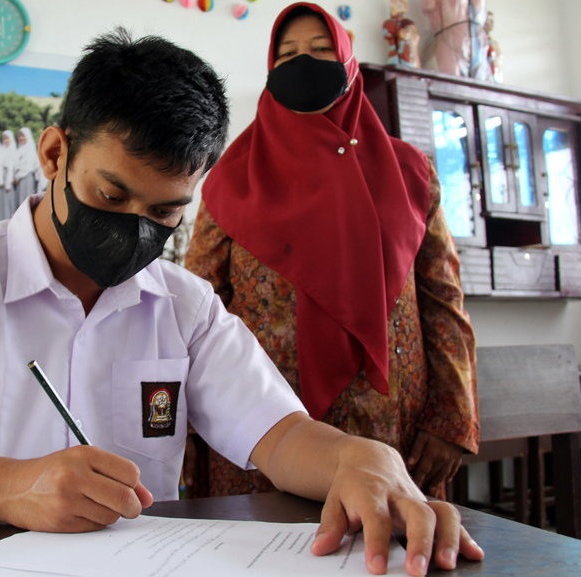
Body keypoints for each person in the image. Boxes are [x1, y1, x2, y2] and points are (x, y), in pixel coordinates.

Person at [0, 28, 483, 577]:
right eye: (111, 196)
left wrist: (361, 458)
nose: (134, 228)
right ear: (55, 154)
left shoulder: (183, 304)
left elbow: (282, 437)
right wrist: (9, 487)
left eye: (165, 212)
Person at [184, 2, 479, 500]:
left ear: (348, 64)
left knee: (382, 554)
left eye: (321, 51)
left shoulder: (411, 173)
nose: (304, 64)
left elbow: (442, 299)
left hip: (389, 425)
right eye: (289, 54)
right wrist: (187, 427)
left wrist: (452, 418)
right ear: (270, 68)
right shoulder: (233, 177)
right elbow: (196, 309)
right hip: (262, 423)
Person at [422, 0, 491, 81]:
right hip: (449, 42)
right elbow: (428, 7)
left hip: (478, 46)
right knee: (450, 84)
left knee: (481, 87)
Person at [382, 0, 420, 67]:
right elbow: (389, 35)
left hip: (407, 59)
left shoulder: (407, 23)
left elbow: (412, 37)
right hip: (395, 56)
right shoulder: (389, 23)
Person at [13, 126, 41, 208]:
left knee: (25, 200)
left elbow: (28, 167)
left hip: (26, 177)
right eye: (19, 136)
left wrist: (17, 177)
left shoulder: (30, 149)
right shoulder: (19, 149)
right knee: (20, 201)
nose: (21, 138)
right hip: (19, 179)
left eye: (23, 136)